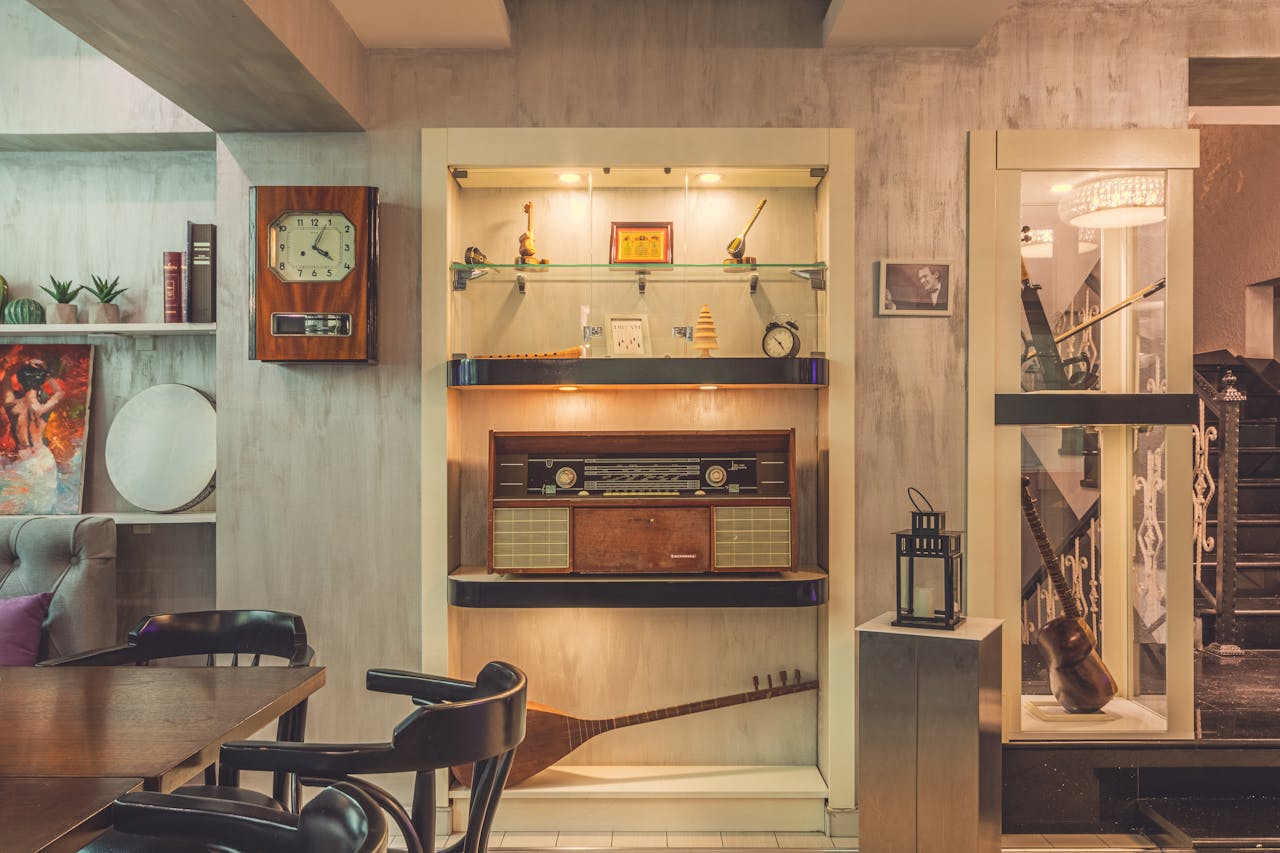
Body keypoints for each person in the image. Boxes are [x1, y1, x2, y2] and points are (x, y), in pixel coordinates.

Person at [0, 357, 66, 513]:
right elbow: (60, 392)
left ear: (21, 381)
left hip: (23, 459)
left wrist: (22, 364)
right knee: (44, 509)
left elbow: (7, 377)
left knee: (19, 508)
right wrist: (46, 375)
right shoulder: (43, 408)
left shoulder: (12, 406)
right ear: (41, 382)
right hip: (43, 458)